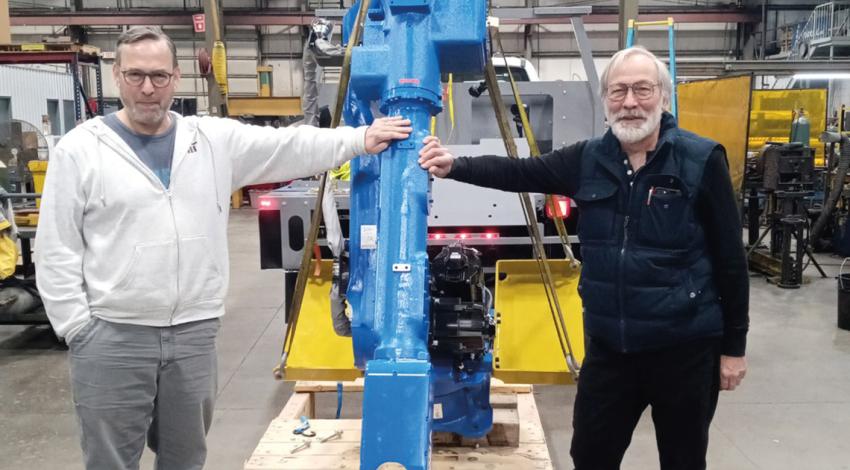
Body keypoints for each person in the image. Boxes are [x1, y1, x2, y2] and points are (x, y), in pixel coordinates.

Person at [35, 26, 411, 470]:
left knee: (186, 457)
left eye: (159, 76)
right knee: (110, 460)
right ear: (116, 76)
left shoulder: (209, 140)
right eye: (135, 75)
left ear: (176, 77)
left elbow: (285, 145)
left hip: (193, 334)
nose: (148, 88)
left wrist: (357, 139)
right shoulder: (82, 149)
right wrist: (78, 328)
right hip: (114, 335)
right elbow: (55, 247)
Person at [418, 46, 749, 470]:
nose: (630, 103)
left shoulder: (701, 159)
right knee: (590, 455)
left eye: (642, 90)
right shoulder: (589, 158)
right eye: (619, 91)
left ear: (663, 97)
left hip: (684, 349)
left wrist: (733, 349)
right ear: (606, 99)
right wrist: (455, 165)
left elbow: (730, 261)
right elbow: (522, 172)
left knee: (683, 460)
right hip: (611, 347)